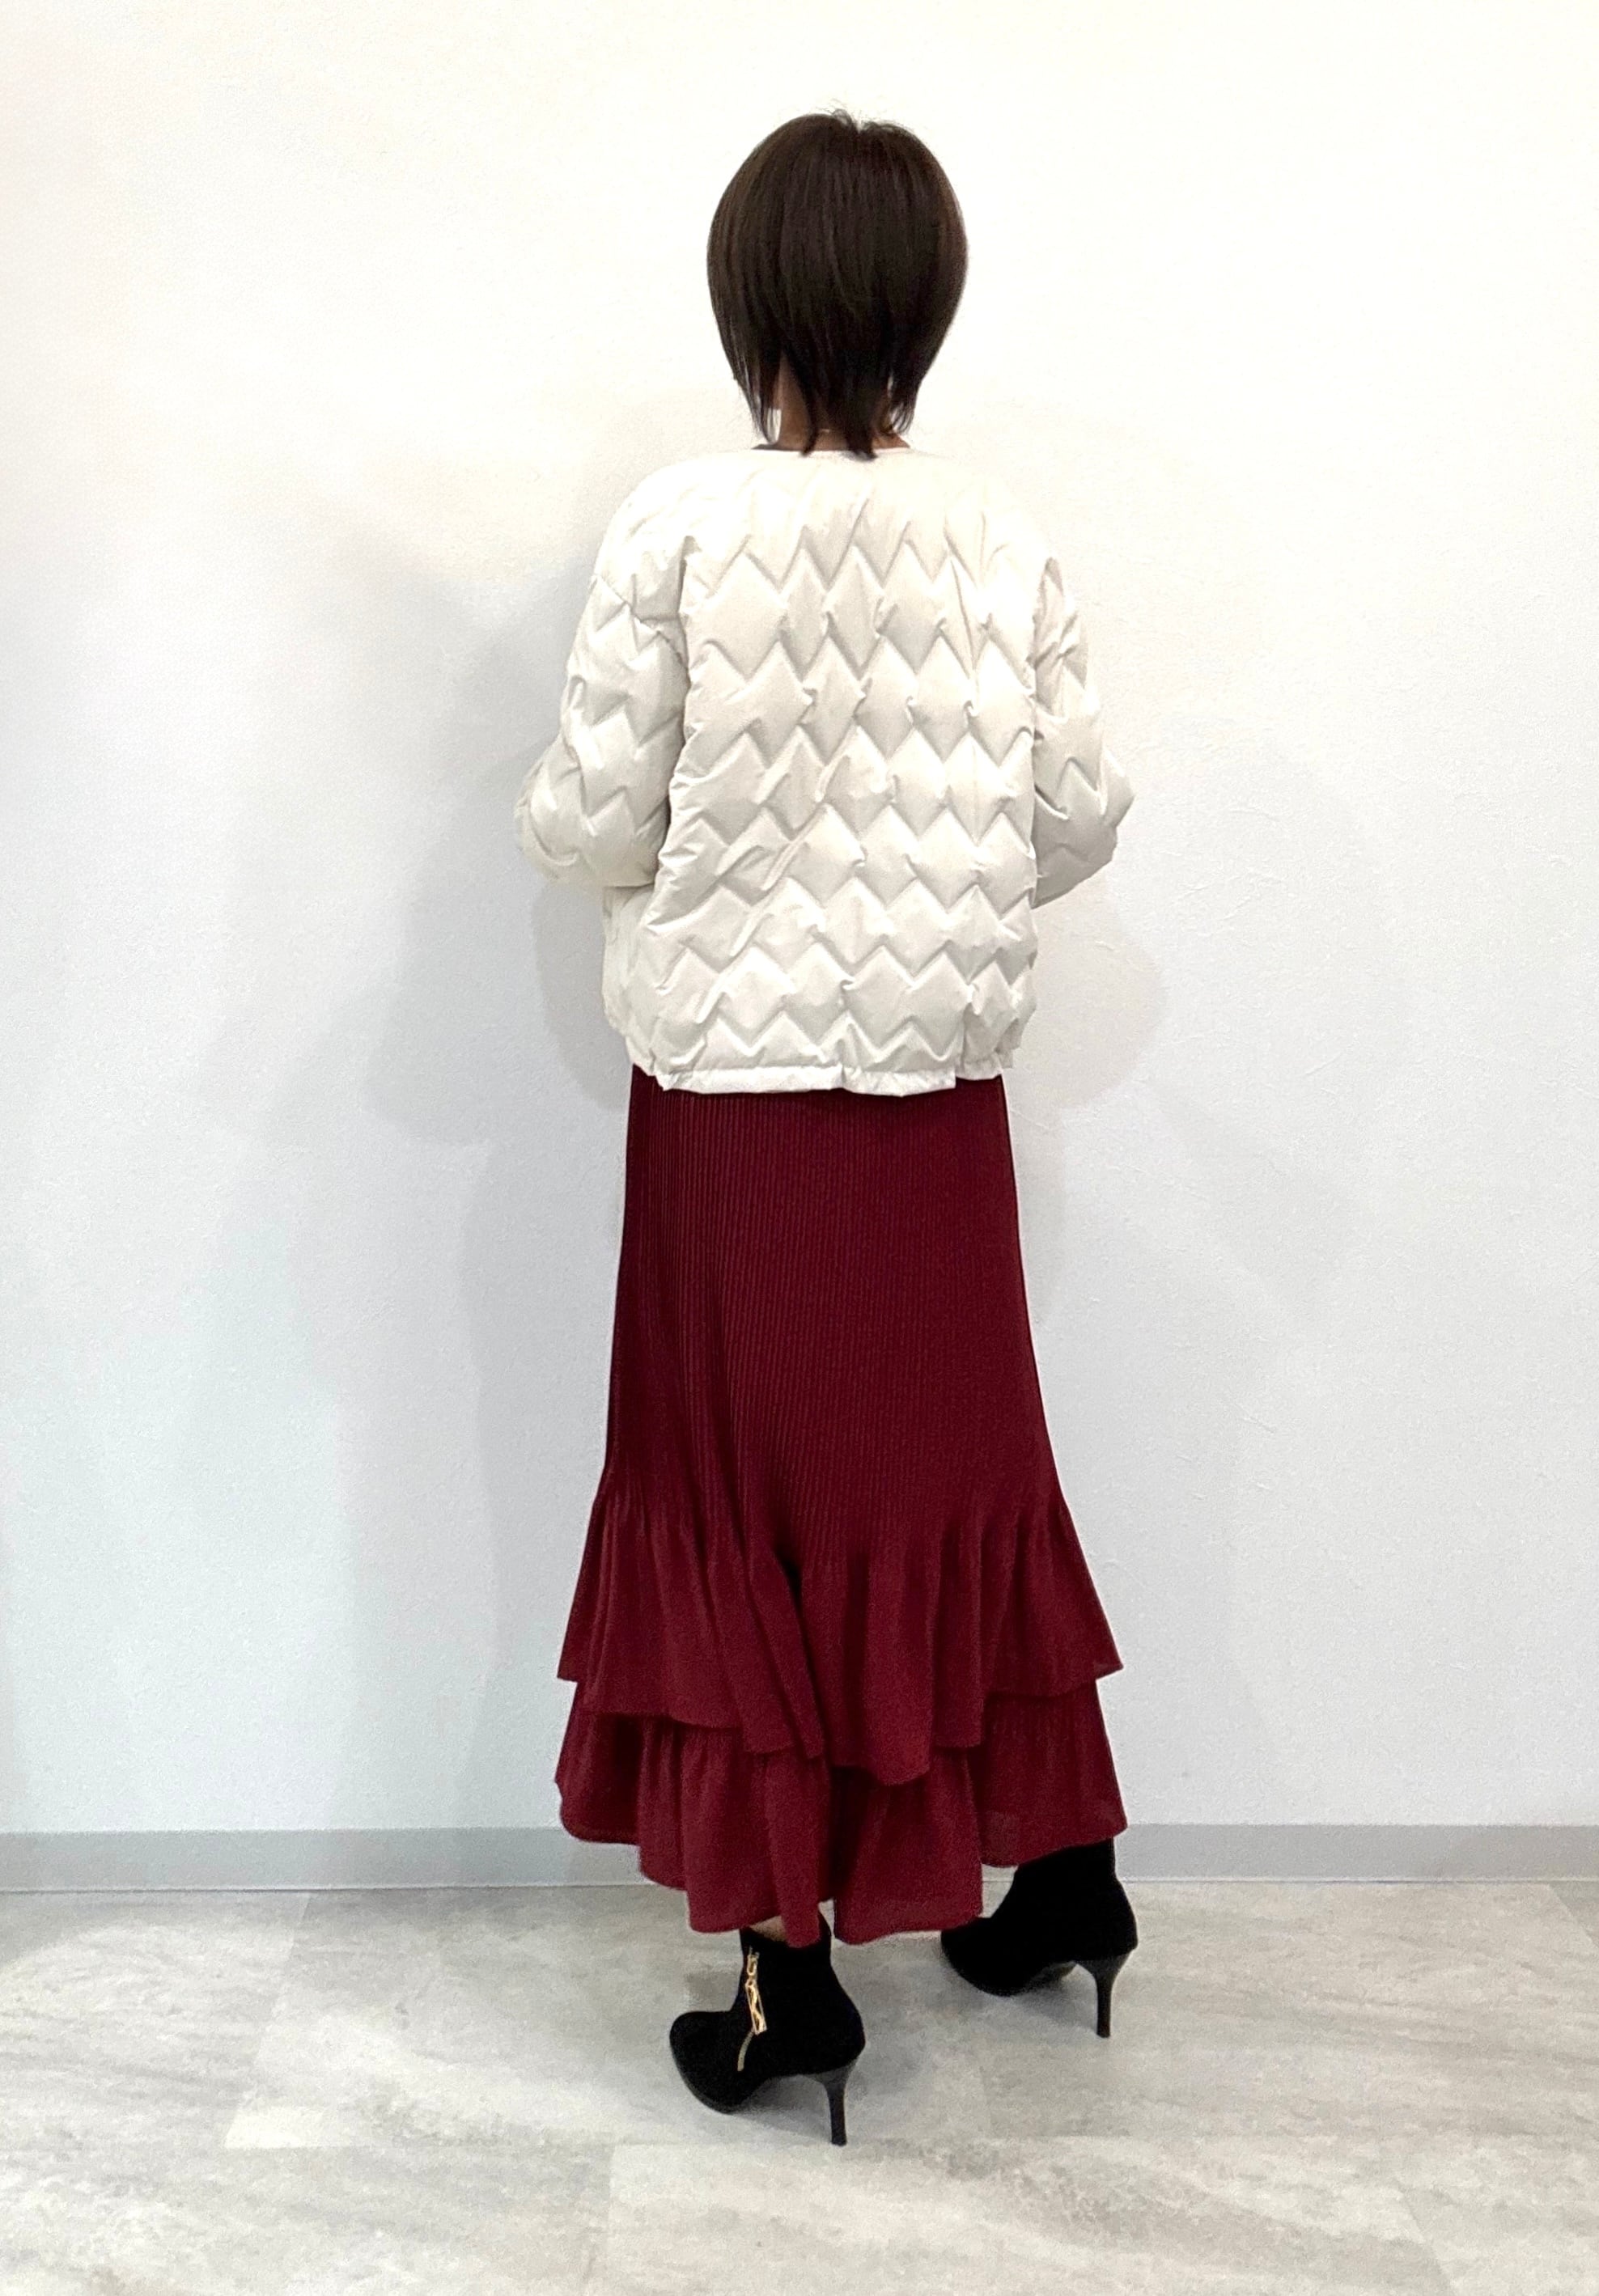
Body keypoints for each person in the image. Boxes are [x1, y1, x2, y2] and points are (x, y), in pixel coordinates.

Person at [514, 107, 1139, 2148]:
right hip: (932, 1101)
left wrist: (678, 862)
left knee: (753, 1511)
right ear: (923, 308)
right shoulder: (1004, 538)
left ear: (751, 302)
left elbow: (589, 818)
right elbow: (1074, 818)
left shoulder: (683, 526)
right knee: (965, 1480)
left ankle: (792, 1987)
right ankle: (1064, 1880)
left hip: (737, 1115)